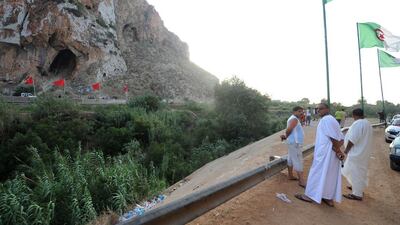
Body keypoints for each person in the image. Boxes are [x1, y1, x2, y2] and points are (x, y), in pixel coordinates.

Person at [295, 103, 345, 207]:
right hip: (330, 152)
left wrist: (338, 150)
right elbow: (341, 138)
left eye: (320, 109)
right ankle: (327, 197)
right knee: (330, 175)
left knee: (316, 172)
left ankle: (309, 196)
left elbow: (334, 138)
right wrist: (337, 149)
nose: (318, 111)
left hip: (325, 153)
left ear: (327, 109)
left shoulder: (326, 120)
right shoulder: (332, 119)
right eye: (317, 109)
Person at [342, 108, 373, 201]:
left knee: (355, 172)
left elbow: (352, 139)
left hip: (357, 153)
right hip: (363, 152)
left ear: (354, 115)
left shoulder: (358, 123)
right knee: (359, 171)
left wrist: (346, 151)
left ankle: (357, 194)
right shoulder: (367, 123)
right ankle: (357, 187)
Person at [280, 106, 307, 188]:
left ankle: (290, 175)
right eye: (299, 111)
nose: (301, 113)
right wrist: (286, 136)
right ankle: (301, 181)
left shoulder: (295, 119)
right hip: (295, 143)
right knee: (298, 160)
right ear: (294, 112)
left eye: (302, 111)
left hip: (293, 142)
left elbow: (295, 127)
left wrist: (302, 118)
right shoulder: (294, 119)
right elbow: (289, 129)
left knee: (291, 158)